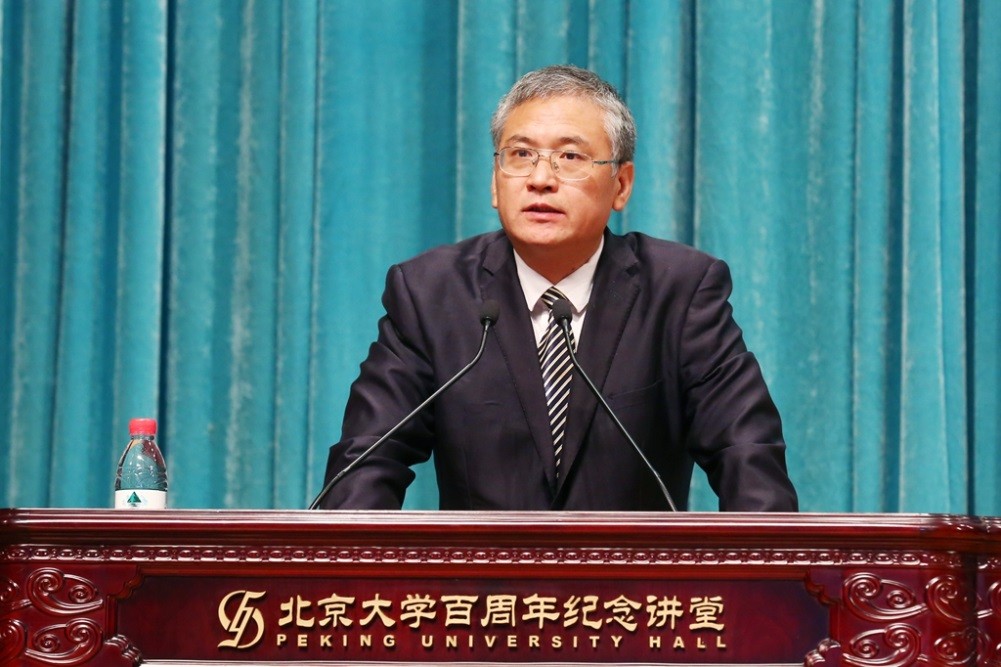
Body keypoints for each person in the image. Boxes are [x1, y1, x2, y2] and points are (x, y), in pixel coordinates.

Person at [318, 65, 797, 511]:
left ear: (621, 184)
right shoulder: (431, 293)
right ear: (495, 182)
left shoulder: (679, 292)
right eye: (521, 155)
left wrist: (765, 569)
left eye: (570, 157)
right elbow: (366, 465)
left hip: (631, 576)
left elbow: (748, 456)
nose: (540, 179)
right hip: (483, 577)